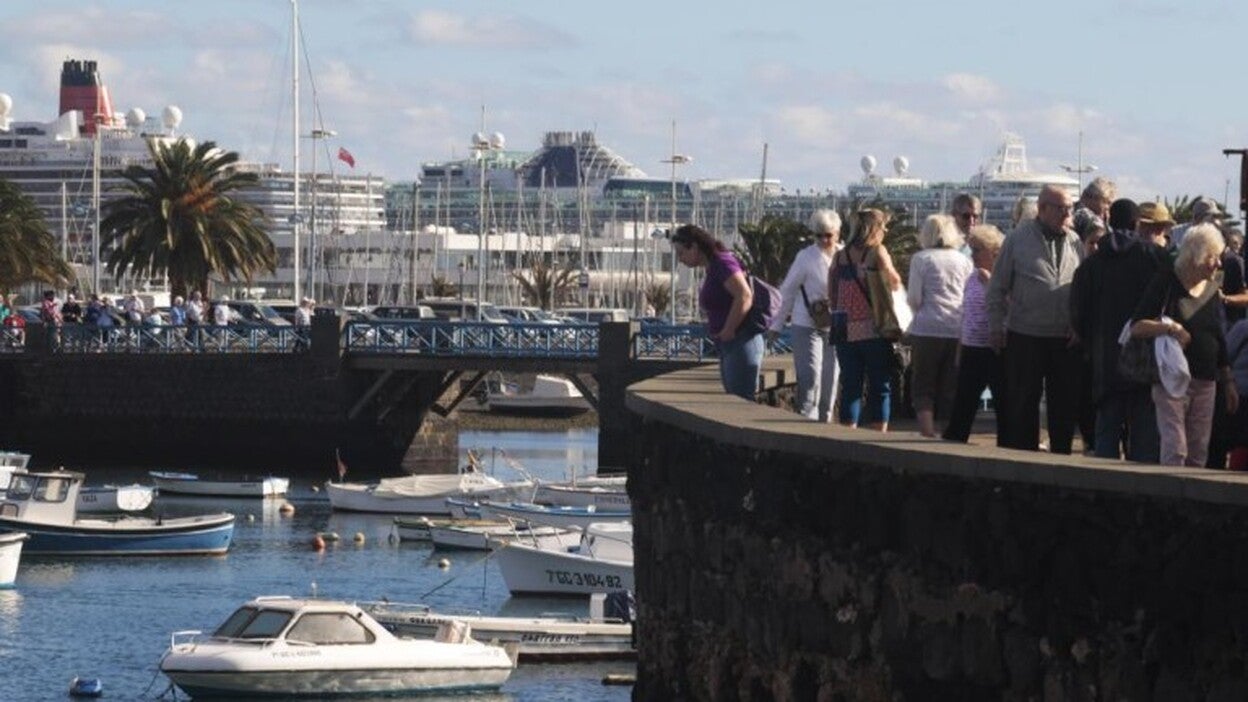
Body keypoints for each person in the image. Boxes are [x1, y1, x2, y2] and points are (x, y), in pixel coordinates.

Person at [1130, 224, 1239, 467]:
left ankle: (1191, 493)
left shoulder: (1212, 289)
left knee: (1198, 451)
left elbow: (1218, 336)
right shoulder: (1166, 282)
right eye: (1213, 257)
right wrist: (1171, 328)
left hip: (1206, 380)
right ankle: (1169, 491)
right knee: (1175, 447)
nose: (1218, 264)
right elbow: (1136, 326)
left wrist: (1228, 379)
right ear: (1195, 256)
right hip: (1172, 379)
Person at [986, 184, 1084, 453]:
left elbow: (1081, 289)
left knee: (1063, 404)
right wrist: (995, 327)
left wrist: (1078, 325)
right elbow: (997, 287)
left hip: (1064, 337)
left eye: (1070, 208)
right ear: (1042, 209)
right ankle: (1024, 459)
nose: (1067, 214)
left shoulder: (1075, 241)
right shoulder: (1017, 239)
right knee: (1023, 402)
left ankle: (1061, 457)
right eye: (1061, 208)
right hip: (1025, 333)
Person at [1069, 198, 1163, 462]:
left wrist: (1090, 342)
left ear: (1109, 220)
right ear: (1136, 223)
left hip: (1105, 360)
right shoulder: (1154, 257)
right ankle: (1143, 485)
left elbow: (1077, 312)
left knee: (1106, 432)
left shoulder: (1092, 263)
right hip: (1144, 359)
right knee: (1144, 435)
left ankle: (1103, 485)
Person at [670, 223, 763, 401]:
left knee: (740, 401)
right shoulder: (713, 267)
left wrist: (729, 329)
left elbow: (744, 295)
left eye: (681, 253)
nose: (680, 259)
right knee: (733, 399)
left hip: (740, 340)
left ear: (694, 247)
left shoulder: (722, 263)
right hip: (729, 343)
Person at [828, 208, 901, 431]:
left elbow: (832, 292)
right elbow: (894, 283)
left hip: (844, 331)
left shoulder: (840, 256)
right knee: (880, 385)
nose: (885, 231)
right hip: (873, 329)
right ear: (874, 228)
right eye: (883, 226)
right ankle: (878, 434)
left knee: (851, 386)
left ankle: (847, 432)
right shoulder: (877, 252)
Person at [768, 209, 841, 421]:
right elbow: (787, 291)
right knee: (810, 376)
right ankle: (807, 420)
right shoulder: (806, 257)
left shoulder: (844, 256)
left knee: (831, 378)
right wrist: (776, 325)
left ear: (837, 233)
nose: (824, 240)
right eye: (819, 235)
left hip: (836, 324)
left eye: (828, 235)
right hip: (806, 323)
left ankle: (825, 421)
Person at [906, 214, 971, 436]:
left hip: (926, 328)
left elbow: (914, 298)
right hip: (956, 327)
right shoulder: (963, 260)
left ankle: (927, 430)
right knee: (950, 384)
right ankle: (947, 431)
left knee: (923, 383)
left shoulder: (921, 259)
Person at [943, 225, 1007, 443]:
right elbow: (966, 314)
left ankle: (1008, 442)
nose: (973, 255)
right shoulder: (971, 278)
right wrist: (960, 349)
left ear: (994, 252)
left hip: (996, 348)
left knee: (1003, 400)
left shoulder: (1003, 278)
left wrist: (990, 284)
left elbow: (1011, 307)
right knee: (964, 398)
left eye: (978, 250)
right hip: (972, 347)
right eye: (972, 249)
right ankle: (955, 438)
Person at [1072, 177, 1116, 243]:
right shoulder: (1084, 214)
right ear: (1094, 198)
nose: (1108, 207)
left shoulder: (1072, 211)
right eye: (1107, 202)